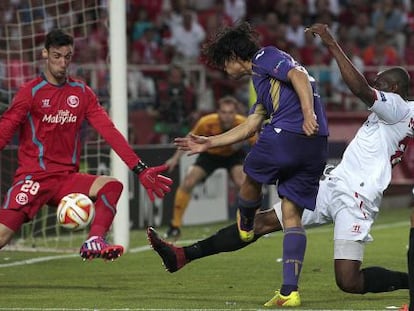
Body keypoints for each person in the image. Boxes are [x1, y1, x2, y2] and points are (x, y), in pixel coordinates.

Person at [148, 23, 414, 307]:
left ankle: (408, 282)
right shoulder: (396, 113)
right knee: (264, 221)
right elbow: (253, 122)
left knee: (348, 281)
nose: (376, 86)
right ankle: (184, 255)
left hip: (357, 197)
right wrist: (211, 142)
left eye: (381, 83)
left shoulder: (399, 106)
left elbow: (359, 88)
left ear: (395, 89)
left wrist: (331, 44)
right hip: (333, 184)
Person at [174, 21, 329, 307]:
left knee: (250, 172)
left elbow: (298, 76)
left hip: (291, 132)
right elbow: (250, 125)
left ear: (234, 56)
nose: (225, 71)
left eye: (224, 64)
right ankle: (289, 291)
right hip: (316, 143)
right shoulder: (264, 82)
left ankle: (246, 224)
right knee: (291, 214)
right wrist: (210, 142)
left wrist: (307, 114)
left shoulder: (265, 57)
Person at [0, 29, 173, 261]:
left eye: (67, 56)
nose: (62, 63)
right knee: (2, 237)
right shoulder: (30, 92)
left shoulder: (81, 93)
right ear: (44, 54)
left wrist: (139, 168)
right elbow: (6, 128)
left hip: (65, 180)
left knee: (112, 186)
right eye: (56, 56)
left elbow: (108, 131)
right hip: (34, 179)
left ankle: (95, 240)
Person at [163, 95, 255, 239]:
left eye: (231, 112)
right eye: (224, 112)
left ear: (236, 112)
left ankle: (250, 222)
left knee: (243, 184)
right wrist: (175, 159)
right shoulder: (206, 122)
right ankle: (175, 226)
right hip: (210, 155)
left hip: (233, 155)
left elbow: (258, 143)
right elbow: (189, 139)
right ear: (218, 112)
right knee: (188, 182)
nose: (227, 116)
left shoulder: (243, 123)